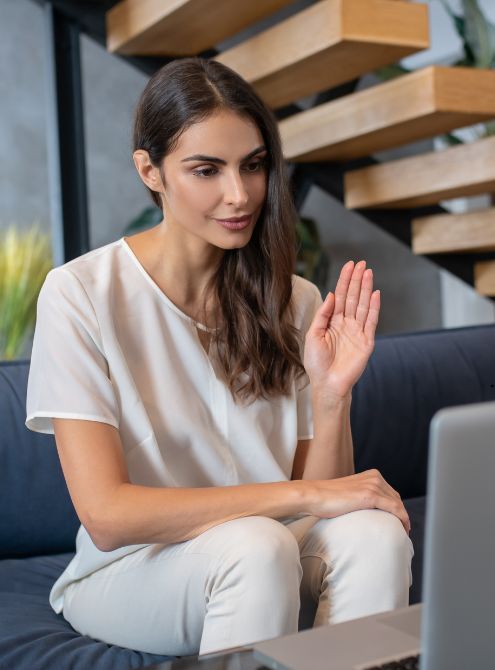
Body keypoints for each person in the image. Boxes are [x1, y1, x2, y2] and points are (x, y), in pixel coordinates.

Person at [25, 57, 413, 658]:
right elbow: (107, 515)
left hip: (274, 550)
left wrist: (333, 396)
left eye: (253, 166)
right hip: (135, 571)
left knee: (375, 536)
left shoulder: (296, 301)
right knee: (257, 547)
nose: (240, 195)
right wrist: (302, 499)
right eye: (206, 170)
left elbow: (324, 493)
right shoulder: (80, 294)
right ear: (149, 171)